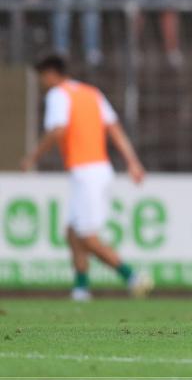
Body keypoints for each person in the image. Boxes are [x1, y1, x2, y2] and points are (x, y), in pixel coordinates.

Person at [21, 55, 152, 302]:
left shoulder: (58, 95)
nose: (41, 82)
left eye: (41, 76)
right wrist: (132, 162)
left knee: (86, 237)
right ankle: (81, 289)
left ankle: (133, 277)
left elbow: (57, 129)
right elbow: (114, 128)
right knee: (72, 231)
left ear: (51, 73)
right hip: (98, 169)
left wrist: (32, 157)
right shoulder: (91, 92)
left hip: (86, 172)